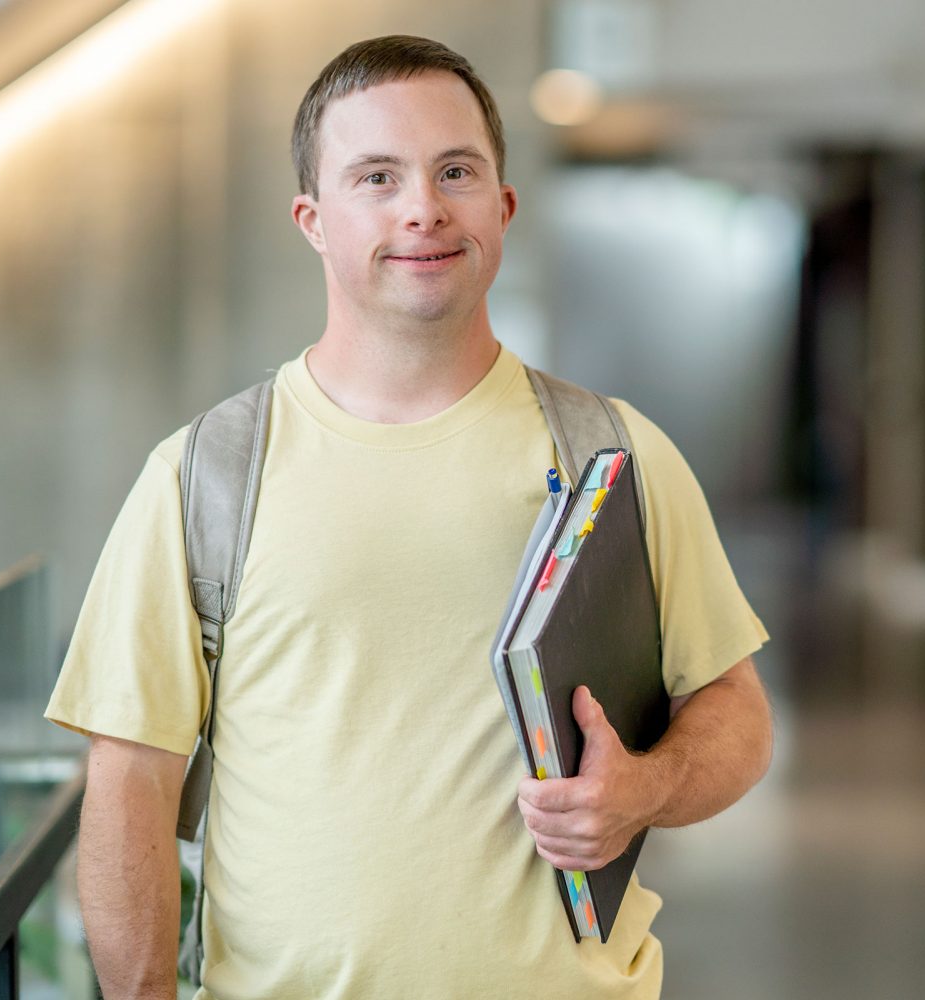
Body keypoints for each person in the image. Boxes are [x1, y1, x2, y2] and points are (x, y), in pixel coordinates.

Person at [44, 34, 772, 1000]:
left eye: (456, 171)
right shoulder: (204, 477)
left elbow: (736, 714)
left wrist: (647, 788)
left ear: (504, 206)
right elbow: (131, 781)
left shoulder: (614, 454)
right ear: (313, 219)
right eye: (376, 177)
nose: (423, 208)